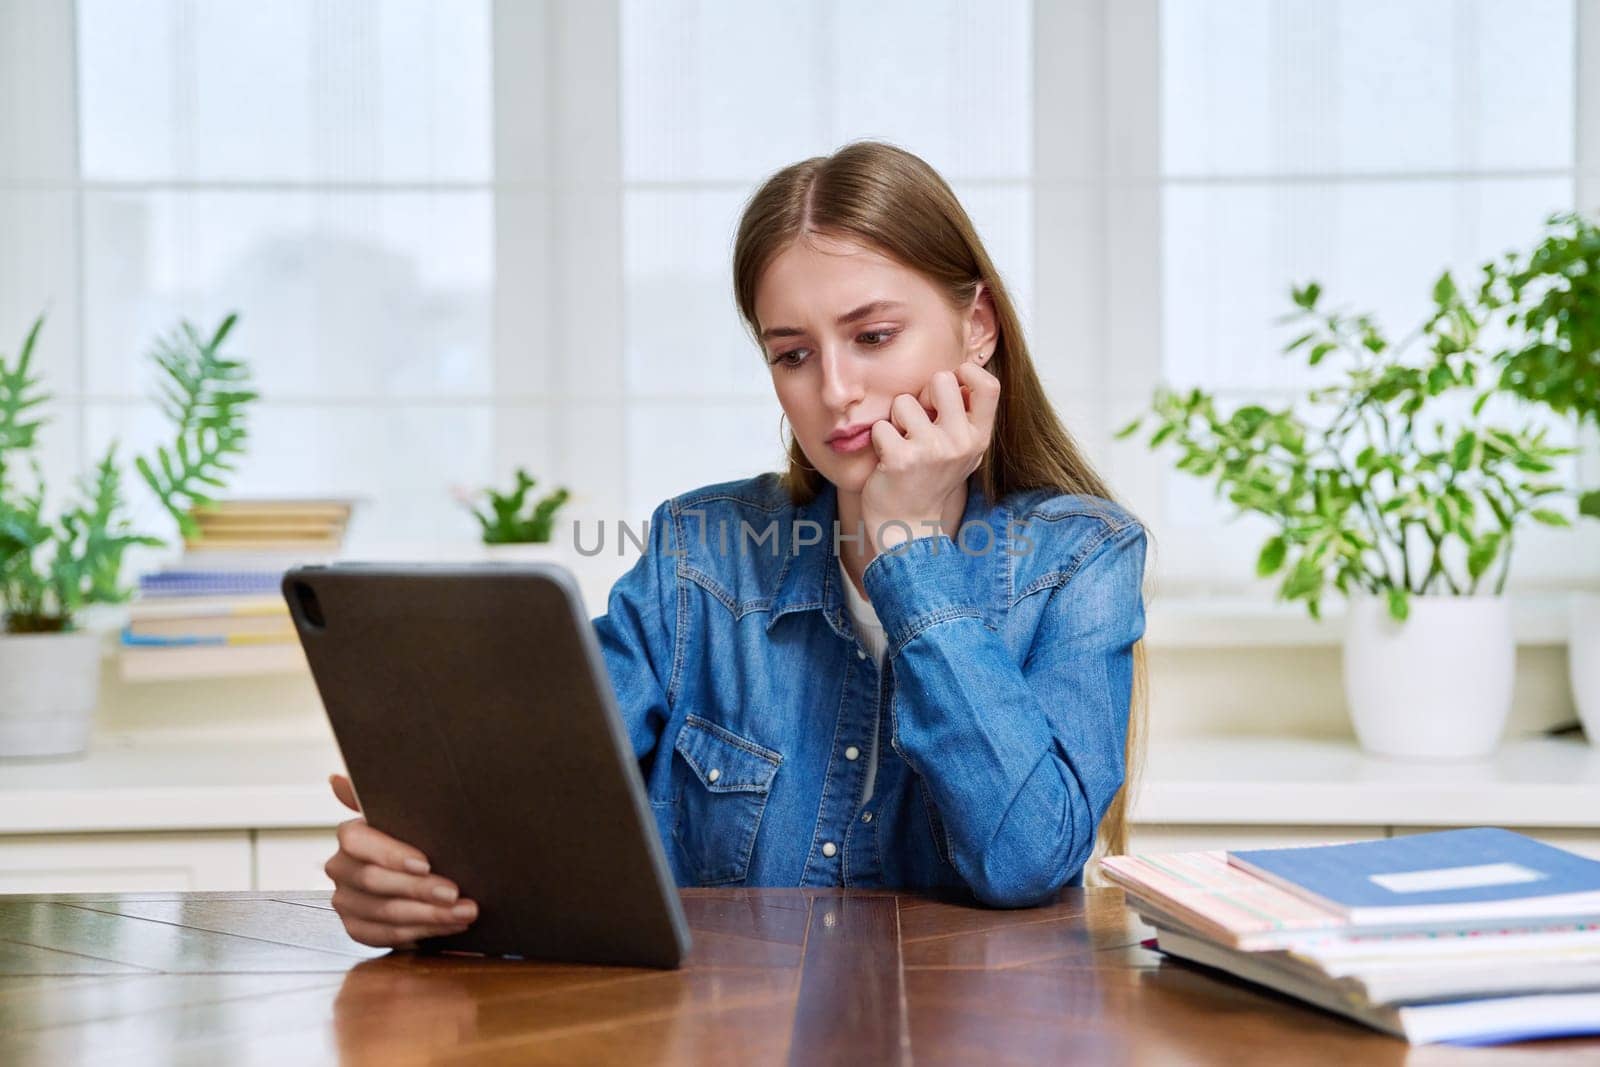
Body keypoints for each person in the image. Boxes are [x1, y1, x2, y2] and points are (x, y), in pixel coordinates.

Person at [323, 141, 1150, 949]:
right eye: (792, 353)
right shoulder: (698, 554)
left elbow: (1025, 859)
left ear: (977, 327)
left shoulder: (1082, 560)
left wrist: (908, 554)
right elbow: (530, 828)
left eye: (872, 336)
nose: (834, 391)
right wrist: (417, 888)